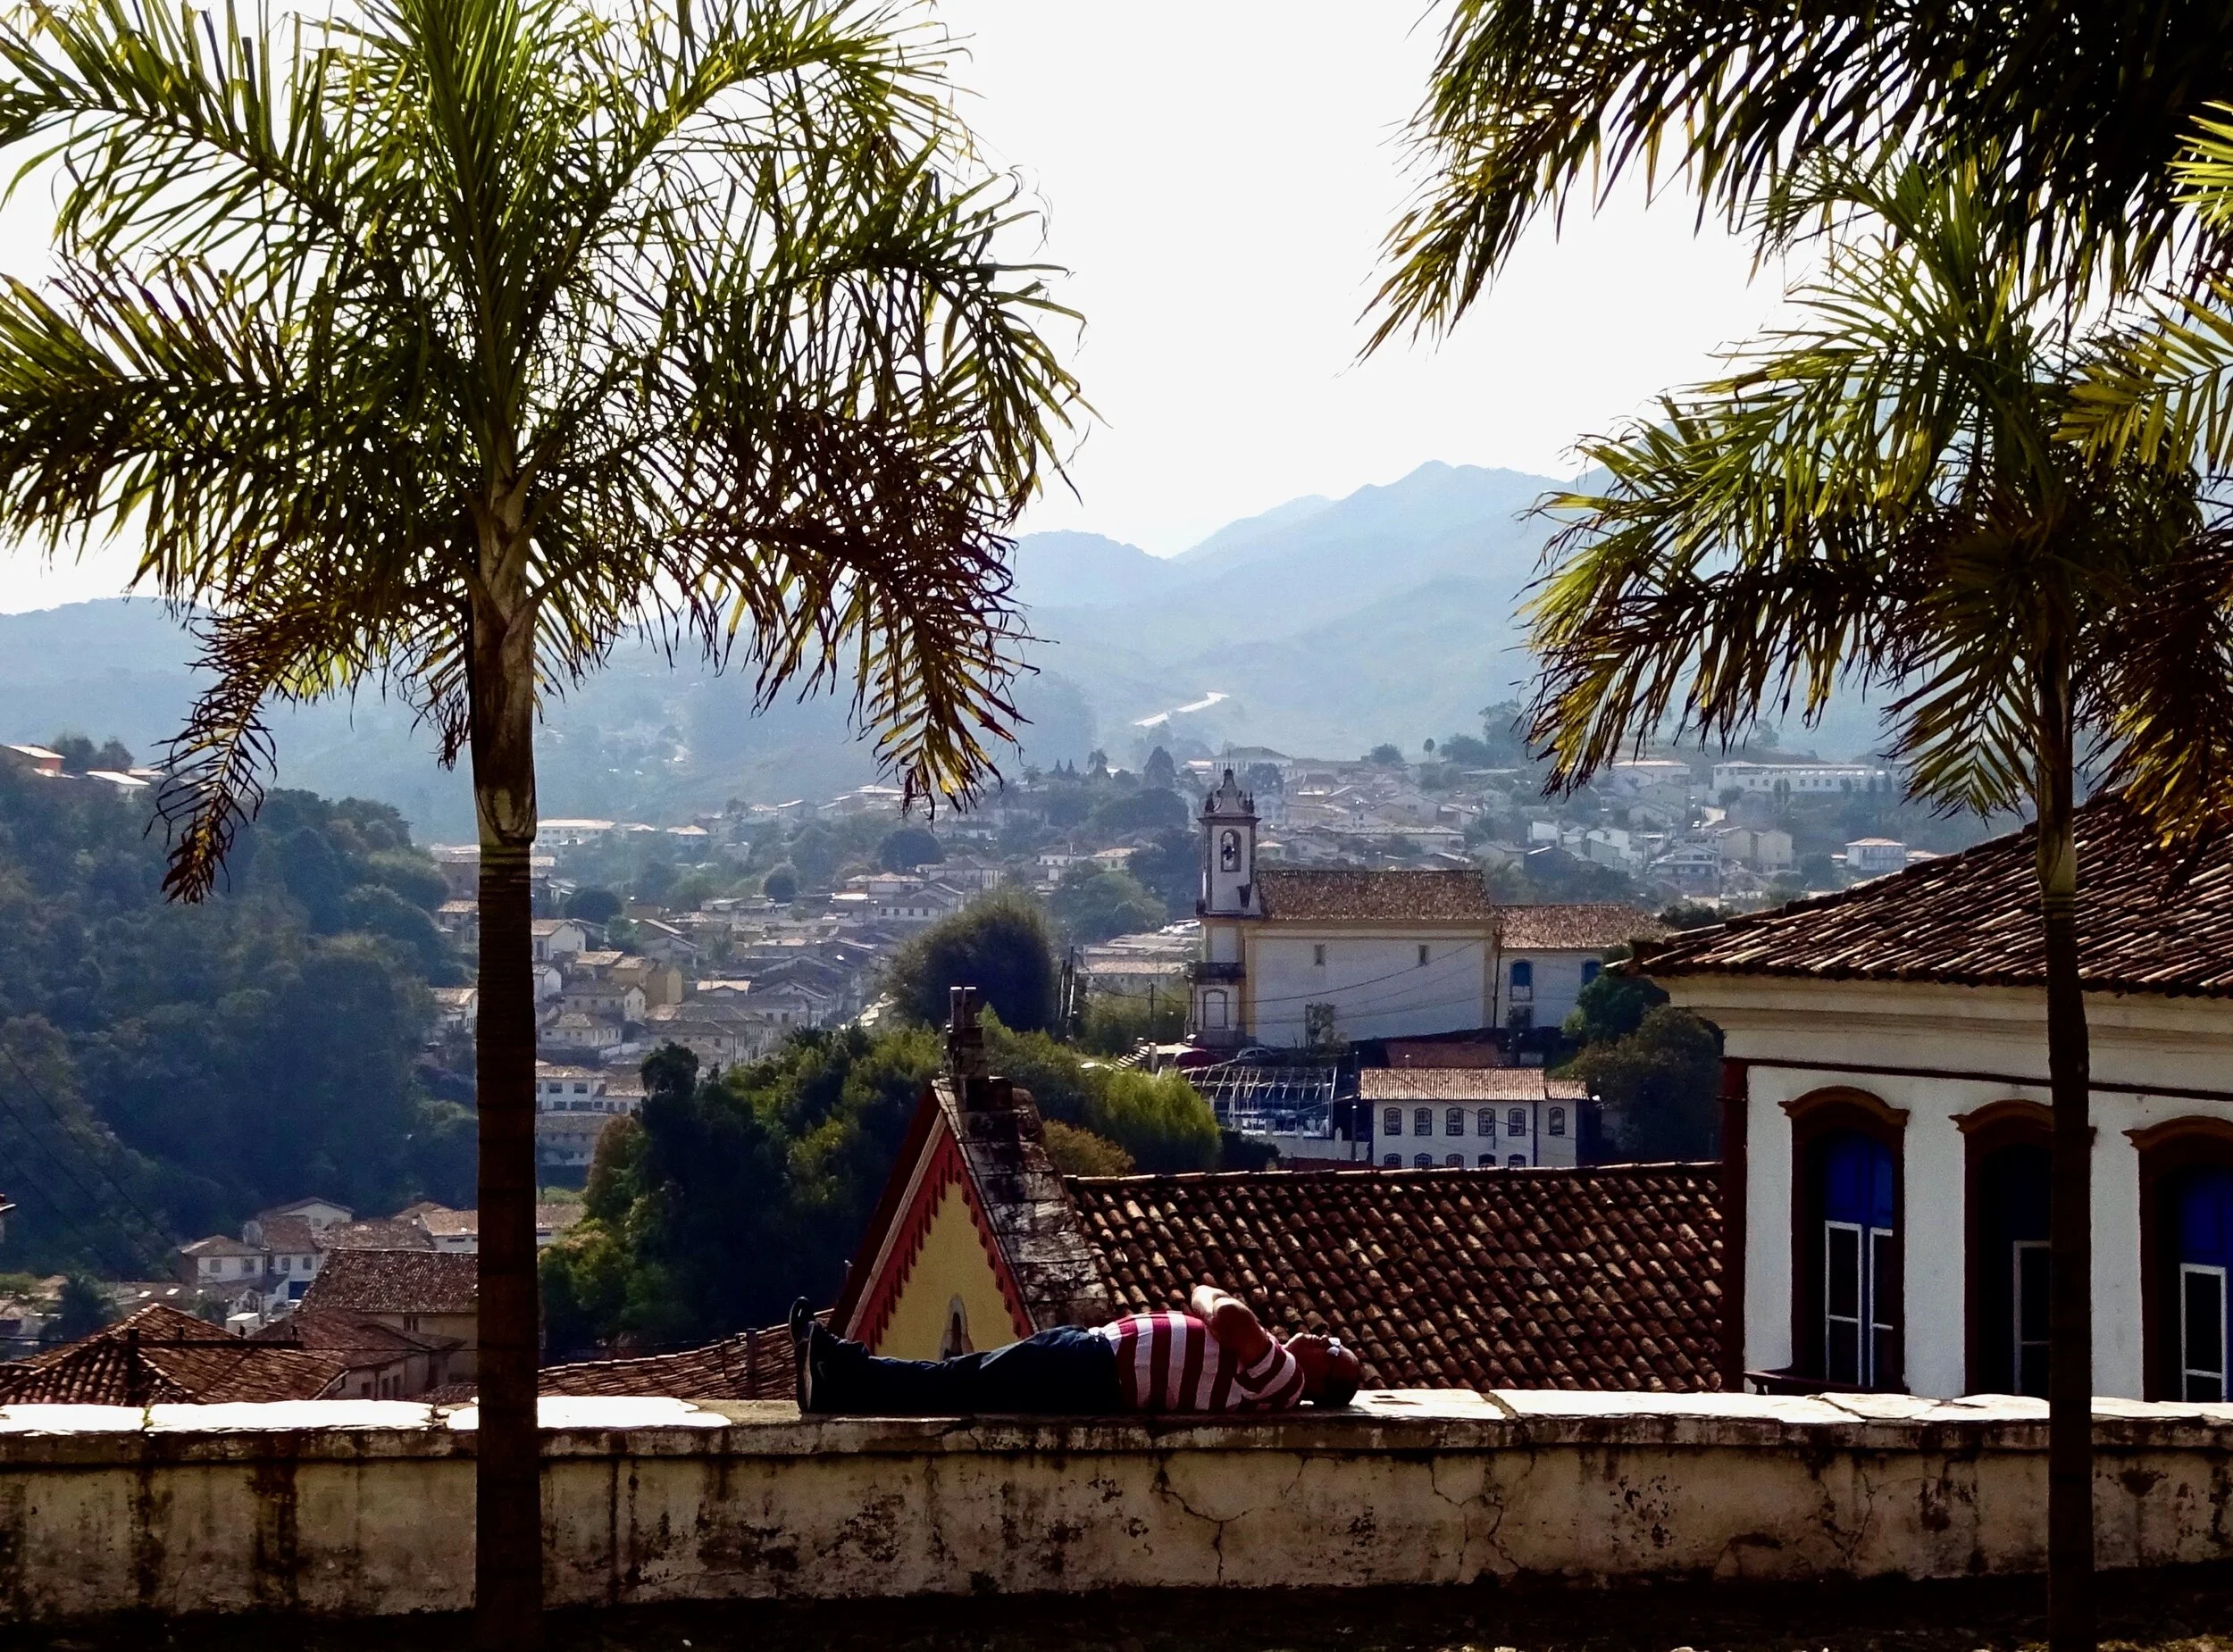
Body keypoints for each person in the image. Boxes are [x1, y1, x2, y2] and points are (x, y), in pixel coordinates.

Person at [790, 1284, 1363, 1415]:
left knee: (960, 1380)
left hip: (1093, 1371)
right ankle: (839, 1372)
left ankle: (839, 1371)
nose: (1324, 1337)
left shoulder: (1286, 1379)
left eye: (1334, 1349)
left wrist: (1207, 1301)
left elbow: (1228, 1312)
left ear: (1326, 1381)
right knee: (965, 1377)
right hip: (1092, 1361)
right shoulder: (1276, 1372)